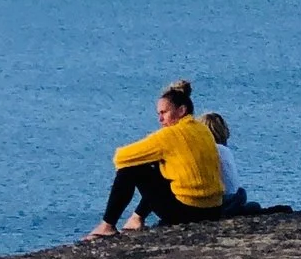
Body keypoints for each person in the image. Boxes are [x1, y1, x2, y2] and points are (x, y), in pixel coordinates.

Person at [84, 80, 225, 239]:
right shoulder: (202, 129)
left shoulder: (170, 135)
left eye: (164, 113)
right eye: (159, 114)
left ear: (181, 111)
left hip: (188, 212)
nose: (160, 119)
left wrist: (150, 157)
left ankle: (107, 225)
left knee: (130, 169)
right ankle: (137, 218)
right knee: (160, 165)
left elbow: (121, 157)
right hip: (214, 209)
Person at [204, 112, 250, 214]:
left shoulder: (208, 150)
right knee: (242, 194)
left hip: (217, 200)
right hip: (229, 199)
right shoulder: (224, 150)